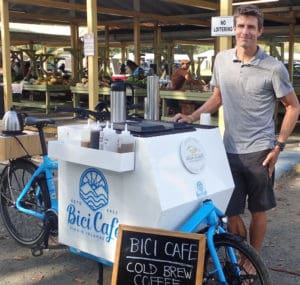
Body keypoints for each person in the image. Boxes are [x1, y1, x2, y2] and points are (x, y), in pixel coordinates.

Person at [173, 5, 300, 254]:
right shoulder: (221, 60)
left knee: (258, 210)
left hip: (260, 153)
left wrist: (279, 146)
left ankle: (251, 263)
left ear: (260, 31)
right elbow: (218, 97)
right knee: (231, 212)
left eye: (251, 27)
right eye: (241, 26)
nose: (245, 32)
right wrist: (193, 116)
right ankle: (242, 254)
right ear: (234, 29)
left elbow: (293, 107)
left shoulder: (273, 67)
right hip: (229, 149)